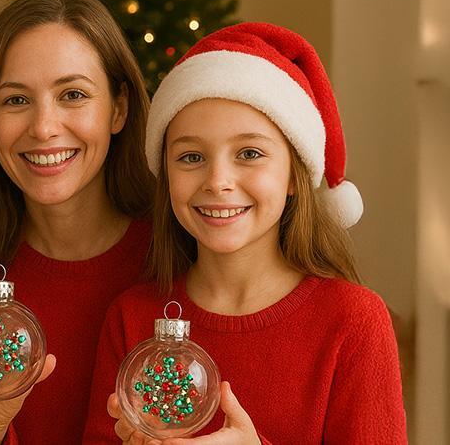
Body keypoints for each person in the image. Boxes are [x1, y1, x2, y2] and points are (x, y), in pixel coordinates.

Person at [84, 22, 407, 443]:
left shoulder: (353, 322)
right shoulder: (131, 318)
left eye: (249, 153)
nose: (218, 180)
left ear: (295, 174)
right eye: (191, 156)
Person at [0, 0, 155, 445]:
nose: (43, 127)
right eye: (16, 100)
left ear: (118, 108)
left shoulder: (175, 249)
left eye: (73, 94)